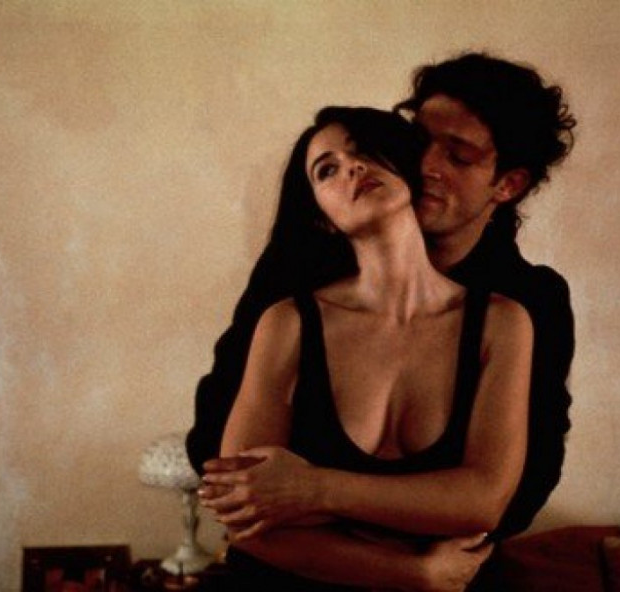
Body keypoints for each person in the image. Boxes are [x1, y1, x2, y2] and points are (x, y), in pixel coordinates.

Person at [191, 52, 576, 583]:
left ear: (507, 185)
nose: (426, 164)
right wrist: (401, 560)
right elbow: (225, 470)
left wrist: (312, 490)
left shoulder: (523, 305)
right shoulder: (296, 284)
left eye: (458, 156)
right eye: (419, 141)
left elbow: (508, 496)